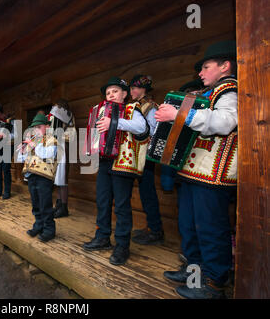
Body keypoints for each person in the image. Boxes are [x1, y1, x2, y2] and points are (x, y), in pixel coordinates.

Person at [155, 41, 238, 299]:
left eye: (206, 67)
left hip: (213, 175)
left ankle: (214, 285)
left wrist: (179, 115)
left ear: (225, 66)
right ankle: (194, 272)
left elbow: (225, 123)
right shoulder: (207, 94)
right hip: (193, 173)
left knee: (211, 228)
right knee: (189, 225)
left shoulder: (229, 92)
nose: (200, 73)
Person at [82, 77, 149, 266]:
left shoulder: (131, 109)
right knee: (102, 201)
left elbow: (141, 128)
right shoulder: (100, 112)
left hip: (123, 163)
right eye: (108, 92)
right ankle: (102, 237)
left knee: (121, 206)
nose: (111, 95)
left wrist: (114, 123)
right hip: (105, 162)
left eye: (115, 91)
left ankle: (122, 246)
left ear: (125, 94)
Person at [128, 75, 165, 245]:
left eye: (136, 88)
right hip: (138, 154)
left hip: (147, 156)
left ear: (144, 89)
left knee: (148, 192)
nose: (132, 91)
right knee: (144, 192)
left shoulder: (150, 108)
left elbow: (154, 132)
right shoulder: (138, 106)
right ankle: (151, 227)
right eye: (131, 88)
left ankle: (155, 230)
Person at [17, 113, 60, 242]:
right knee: (35, 204)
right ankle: (39, 225)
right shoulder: (34, 141)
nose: (35, 130)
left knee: (45, 204)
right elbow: (23, 159)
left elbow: (48, 155)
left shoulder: (52, 140)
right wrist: (23, 151)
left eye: (39, 127)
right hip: (32, 176)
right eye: (34, 128)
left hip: (44, 177)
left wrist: (34, 145)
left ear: (47, 127)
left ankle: (49, 230)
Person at [47, 98, 76, 218]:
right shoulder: (54, 117)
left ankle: (64, 208)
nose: (54, 109)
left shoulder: (69, 117)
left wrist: (60, 135)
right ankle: (58, 205)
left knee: (62, 180)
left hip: (63, 148)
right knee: (57, 179)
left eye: (56, 107)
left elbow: (72, 134)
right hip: (55, 147)